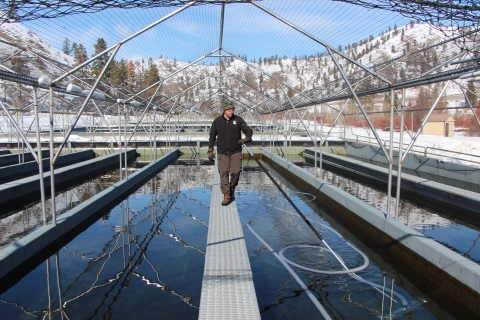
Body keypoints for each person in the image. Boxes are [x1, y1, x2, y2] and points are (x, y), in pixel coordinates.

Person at [208, 100, 253, 206]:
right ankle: (226, 194)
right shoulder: (217, 121)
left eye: (233, 110)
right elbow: (212, 136)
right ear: (225, 110)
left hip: (236, 150)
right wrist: (210, 150)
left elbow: (248, 130)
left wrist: (247, 138)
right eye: (230, 110)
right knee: (223, 172)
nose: (232, 112)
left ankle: (232, 188)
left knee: (236, 171)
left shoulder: (238, 120)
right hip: (222, 151)